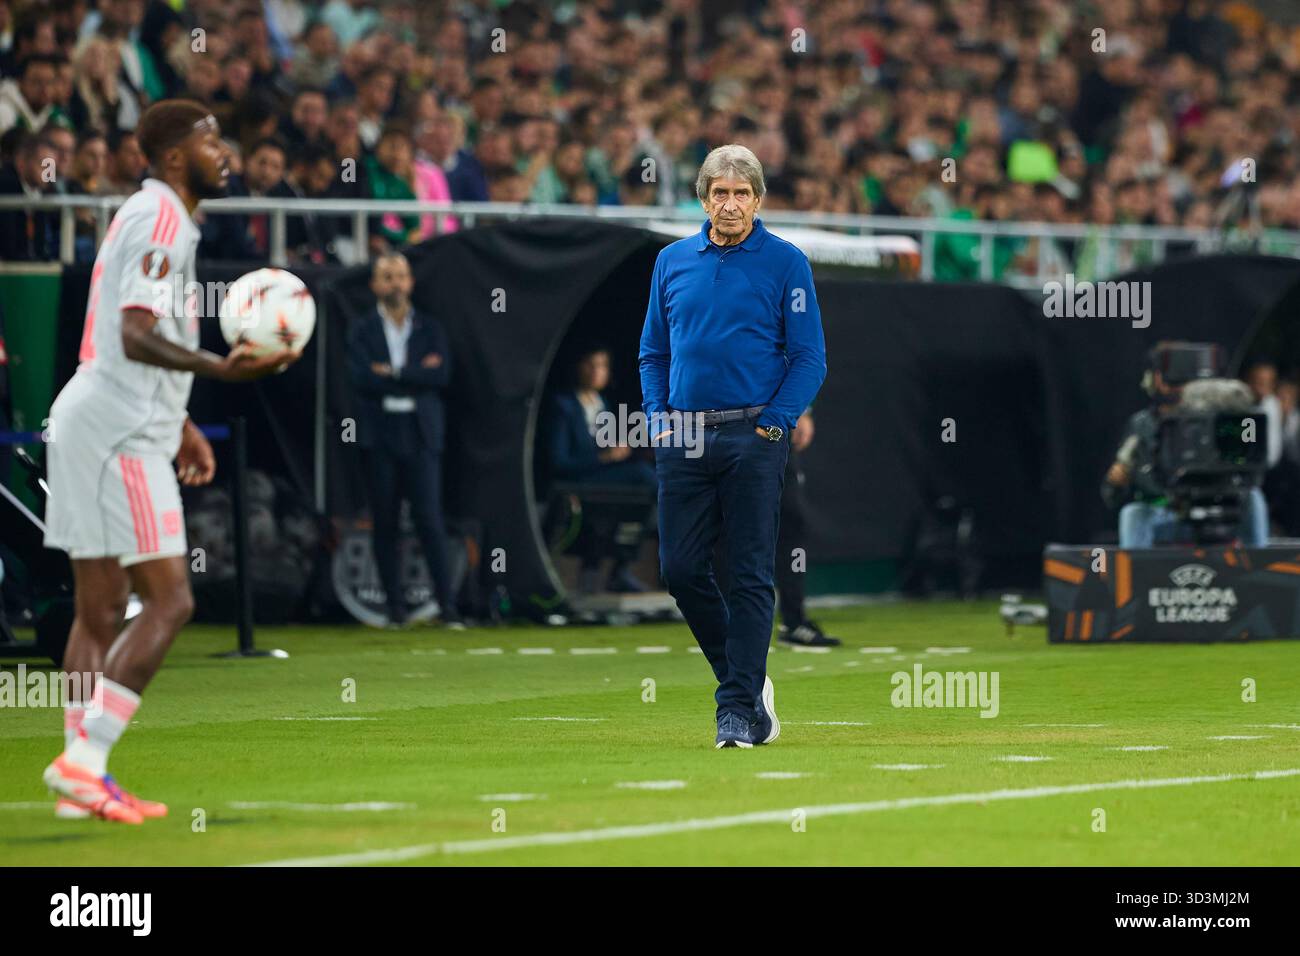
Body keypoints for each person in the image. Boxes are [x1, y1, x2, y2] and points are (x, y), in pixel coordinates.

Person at [41, 99, 300, 824]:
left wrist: (182, 417)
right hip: (119, 432)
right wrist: (220, 373)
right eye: (212, 140)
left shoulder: (153, 216)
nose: (227, 152)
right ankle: (85, 761)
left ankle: (78, 784)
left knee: (97, 609)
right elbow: (135, 332)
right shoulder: (160, 218)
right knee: (170, 600)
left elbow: (120, 328)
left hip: (100, 417)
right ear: (176, 156)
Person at [639, 144, 827, 749]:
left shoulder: (786, 263)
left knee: (749, 573)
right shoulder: (671, 261)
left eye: (741, 193)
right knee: (680, 568)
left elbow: (809, 358)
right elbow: (653, 353)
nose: (730, 204)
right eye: (719, 192)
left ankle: (738, 710)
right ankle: (745, 679)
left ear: (759, 199)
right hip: (684, 436)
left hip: (754, 433)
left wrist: (774, 424)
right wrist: (658, 420)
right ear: (702, 199)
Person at [346, 252, 462, 629]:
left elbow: (441, 375)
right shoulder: (362, 329)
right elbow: (361, 378)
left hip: (421, 431)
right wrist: (413, 373)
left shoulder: (430, 328)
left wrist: (392, 372)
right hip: (380, 432)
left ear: (411, 281)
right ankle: (394, 610)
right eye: (387, 276)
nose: (395, 283)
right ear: (375, 285)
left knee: (430, 518)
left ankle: (448, 608)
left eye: (400, 275)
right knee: (385, 520)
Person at [546, 346, 656, 594]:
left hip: (604, 481)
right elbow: (560, 462)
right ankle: (617, 571)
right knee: (645, 478)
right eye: (592, 364)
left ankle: (617, 571)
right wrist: (604, 457)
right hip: (578, 480)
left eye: (603, 365)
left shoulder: (602, 404)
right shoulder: (563, 406)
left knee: (634, 501)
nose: (598, 372)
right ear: (578, 367)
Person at [775, 408, 841, 647]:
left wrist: (801, 409)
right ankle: (725, 624)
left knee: (789, 523)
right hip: (724, 428)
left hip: (773, 429)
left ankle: (793, 621)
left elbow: (802, 368)